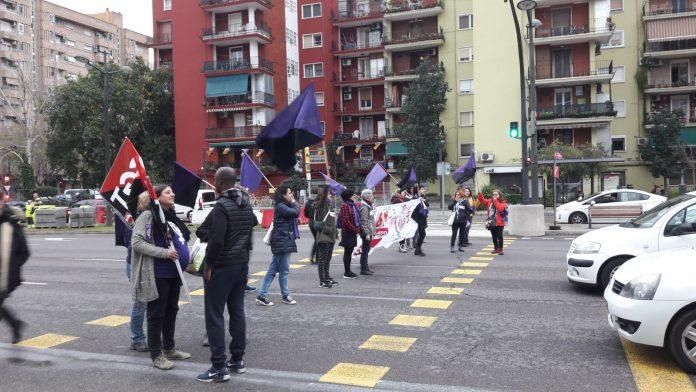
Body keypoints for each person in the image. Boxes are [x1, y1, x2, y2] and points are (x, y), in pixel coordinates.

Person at [196, 167, 257, 383]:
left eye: (215, 180)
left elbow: (218, 240)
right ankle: (237, 360)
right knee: (237, 311)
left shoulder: (222, 205)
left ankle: (219, 367)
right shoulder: (246, 202)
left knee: (214, 316)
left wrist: (210, 264)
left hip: (222, 265)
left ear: (221, 181)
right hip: (240, 263)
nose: (214, 182)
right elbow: (252, 226)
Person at [130, 185, 191, 370]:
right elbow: (137, 242)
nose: (173, 194)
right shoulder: (147, 216)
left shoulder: (170, 216)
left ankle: (169, 348)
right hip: (158, 273)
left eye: (172, 191)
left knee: (171, 310)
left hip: (174, 273)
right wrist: (164, 253)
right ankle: (156, 354)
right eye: (168, 192)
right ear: (156, 196)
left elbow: (180, 239)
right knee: (156, 314)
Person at [256, 185, 299, 306]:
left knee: (273, 269)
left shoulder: (282, 206)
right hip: (282, 241)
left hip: (282, 240)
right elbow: (296, 212)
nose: (292, 195)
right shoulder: (281, 207)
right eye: (290, 193)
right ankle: (285, 295)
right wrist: (295, 202)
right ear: (284, 195)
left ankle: (262, 294)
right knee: (284, 270)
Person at [0, 186, 29, 344]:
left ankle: (15, 325)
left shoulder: (11, 224)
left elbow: (24, 252)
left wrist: (12, 269)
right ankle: (15, 325)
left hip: (7, 276)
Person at [122, 192, 150, 352]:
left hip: (145, 263)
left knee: (149, 302)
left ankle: (146, 336)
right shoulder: (137, 218)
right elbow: (133, 243)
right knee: (140, 303)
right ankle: (137, 338)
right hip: (136, 264)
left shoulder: (147, 216)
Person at [313, 185, 338, 288]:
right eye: (328, 194)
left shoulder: (329, 206)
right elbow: (323, 199)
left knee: (328, 259)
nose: (331, 196)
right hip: (323, 237)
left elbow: (332, 222)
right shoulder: (320, 206)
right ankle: (322, 281)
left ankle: (327, 277)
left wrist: (335, 233)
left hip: (330, 236)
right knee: (323, 260)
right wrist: (327, 184)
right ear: (323, 195)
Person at [338, 189, 361, 278]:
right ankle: (347, 272)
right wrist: (355, 230)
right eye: (353, 195)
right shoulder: (345, 206)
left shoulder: (352, 205)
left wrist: (356, 229)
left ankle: (348, 271)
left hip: (351, 231)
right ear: (349, 197)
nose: (354, 197)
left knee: (349, 251)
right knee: (347, 252)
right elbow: (346, 221)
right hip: (347, 232)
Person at [478, 189, 509, 255]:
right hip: (491, 221)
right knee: (494, 236)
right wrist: (480, 194)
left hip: (499, 222)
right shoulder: (490, 201)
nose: (494, 196)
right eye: (493, 194)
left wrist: (495, 201)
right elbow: (482, 201)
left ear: (499, 195)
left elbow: (500, 208)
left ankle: (501, 249)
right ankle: (496, 248)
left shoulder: (503, 202)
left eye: (496, 194)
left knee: (499, 236)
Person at [358, 189, 376, 275]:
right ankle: (363, 269)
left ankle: (365, 267)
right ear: (367, 197)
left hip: (368, 231)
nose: (373, 197)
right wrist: (366, 233)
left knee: (366, 250)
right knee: (365, 251)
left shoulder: (369, 206)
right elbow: (363, 222)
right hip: (366, 233)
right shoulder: (364, 207)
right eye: (371, 195)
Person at [412, 186, 429, 256]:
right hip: (418, 219)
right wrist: (418, 200)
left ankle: (417, 249)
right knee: (422, 234)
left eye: (424, 189)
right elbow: (413, 208)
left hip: (423, 218)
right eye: (422, 189)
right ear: (418, 190)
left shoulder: (423, 197)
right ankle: (418, 249)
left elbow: (427, 205)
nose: (424, 190)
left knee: (422, 234)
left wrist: (423, 200)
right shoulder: (414, 198)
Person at [391, 189, 409, 253]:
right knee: (402, 234)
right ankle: (401, 247)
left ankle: (402, 247)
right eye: (404, 192)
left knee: (403, 234)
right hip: (399, 219)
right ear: (400, 192)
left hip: (401, 219)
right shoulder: (397, 200)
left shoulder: (400, 199)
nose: (405, 193)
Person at [304, 189, 318, 264]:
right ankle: (315, 257)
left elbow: (305, 214)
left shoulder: (308, 202)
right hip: (317, 222)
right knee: (318, 240)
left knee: (316, 239)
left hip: (310, 222)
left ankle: (313, 256)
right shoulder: (318, 201)